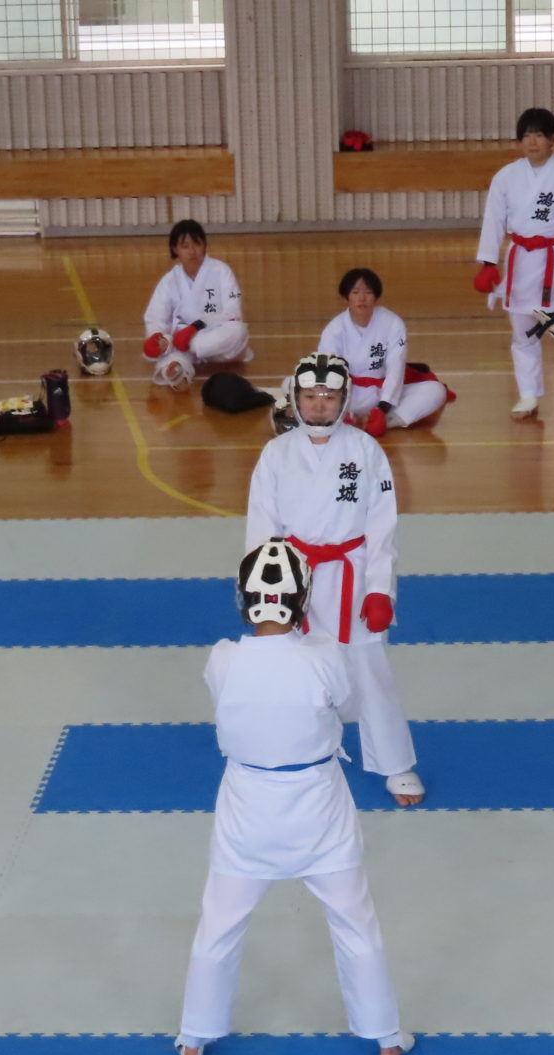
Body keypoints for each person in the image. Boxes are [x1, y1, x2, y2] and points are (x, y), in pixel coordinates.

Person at [175, 541, 413, 1055]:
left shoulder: (222, 659)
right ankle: (386, 1036)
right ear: (302, 602)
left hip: (247, 809)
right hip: (317, 808)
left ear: (243, 598)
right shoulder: (325, 655)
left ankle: (194, 1036)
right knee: (354, 920)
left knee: (219, 922)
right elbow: (347, 706)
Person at [248, 352, 423, 806]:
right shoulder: (276, 454)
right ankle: (295, 753)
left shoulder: (366, 451)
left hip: (354, 573)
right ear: (295, 399)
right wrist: (265, 591)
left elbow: (383, 525)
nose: (320, 405)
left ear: (343, 400)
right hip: (295, 576)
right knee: (292, 669)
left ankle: (395, 765)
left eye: (328, 396)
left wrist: (381, 589)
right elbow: (262, 526)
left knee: (370, 670)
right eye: (310, 396)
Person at [473, 107, 554, 421]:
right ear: (519, 141)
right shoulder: (505, 177)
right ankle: (528, 395)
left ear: (552, 139)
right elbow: (493, 220)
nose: (532, 142)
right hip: (520, 261)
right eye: (527, 135)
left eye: (539, 135)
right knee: (523, 335)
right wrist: (488, 262)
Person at [315, 268, 453, 436]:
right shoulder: (335, 329)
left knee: (435, 391)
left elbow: (396, 365)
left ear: (376, 296)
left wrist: (383, 406)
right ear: (347, 296)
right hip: (347, 394)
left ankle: (385, 421)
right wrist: (338, 403)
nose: (362, 298)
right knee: (292, 384)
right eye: (355, 292)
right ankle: (344, 417)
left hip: (381, 392)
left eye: (368, 292)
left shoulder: (393, 323)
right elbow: (327, 371)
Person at [143, 219, 251, 390]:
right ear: (175, 249)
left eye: (197, 244)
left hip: (213, 340)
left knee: (237, 330)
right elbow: (156, 316)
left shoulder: (223, 271)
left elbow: (233, 311)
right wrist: (158, 338)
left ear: (205, 245)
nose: (192, 252)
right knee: (168, 344)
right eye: (185, 246)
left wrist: (194, 330)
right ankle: (177, 369)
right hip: (181, 338)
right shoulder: (169, 281)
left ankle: (179, 355)